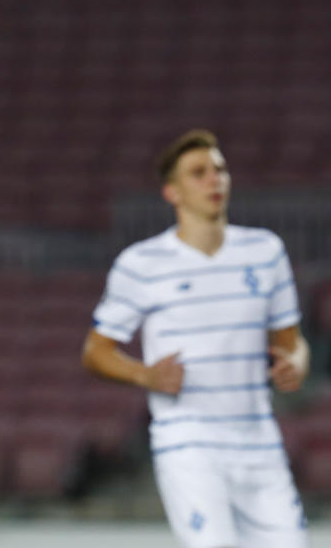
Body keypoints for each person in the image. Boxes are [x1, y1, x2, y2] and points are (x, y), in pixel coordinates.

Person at [81, 129, 310, 548]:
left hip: (259, 441)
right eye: (198, 173)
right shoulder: (141, 264)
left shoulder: (265, 252)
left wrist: (295, 363)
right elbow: (95, 351)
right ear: (173, 192)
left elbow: (292, 341)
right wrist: (145, 375)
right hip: (189, 443)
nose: (213, 180)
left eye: (219, 170)